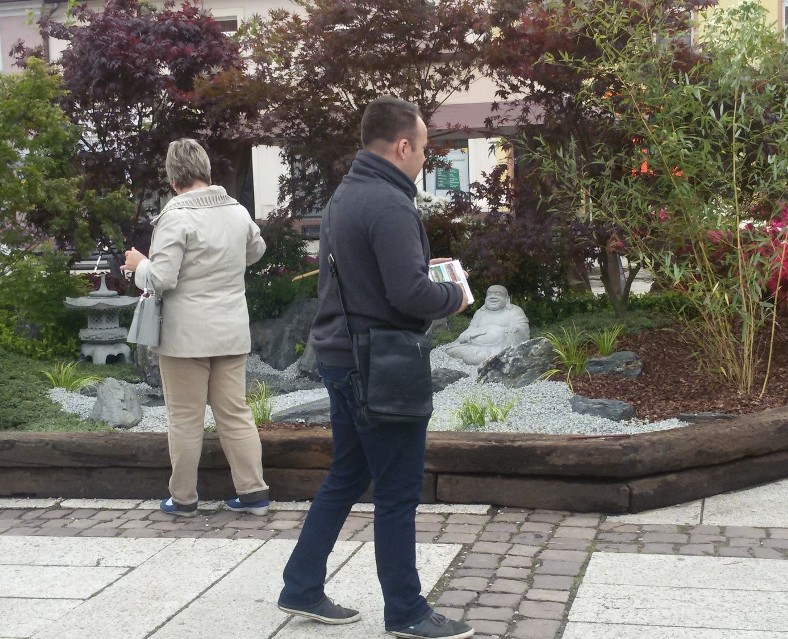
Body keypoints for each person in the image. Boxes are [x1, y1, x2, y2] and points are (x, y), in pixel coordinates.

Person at [276, 96, 474, 639]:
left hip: (345, 356)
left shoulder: (345, 194)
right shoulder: (388, 203)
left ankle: (301, 584)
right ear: (402, 145)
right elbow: (408, 293)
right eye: (425, 150)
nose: (424, 160)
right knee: (397, 490)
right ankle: (407, 612)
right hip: (379, 363)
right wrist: (452, 296)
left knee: (349, 472)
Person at [121, 138, 270, 518]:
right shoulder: (237, 211)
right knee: (235, 413)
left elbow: (162, 278)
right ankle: (253, 493)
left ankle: (183, 498)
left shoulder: (175, 216)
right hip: (232, 330)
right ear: (207, 170)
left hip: (184, 337)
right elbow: (257, 251)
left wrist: (138, 264)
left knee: (185, 418)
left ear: (173, 180)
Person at [445, 285, 530, 365]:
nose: (493, 296)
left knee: (507, 353)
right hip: (475, 345)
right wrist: (465, 334)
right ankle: (485, 357)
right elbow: (472, 327)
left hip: (500, 346)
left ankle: (489, 357)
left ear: (507, 299)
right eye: (489, 294)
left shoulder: (515, 311)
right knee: (451, 349)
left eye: (498, 294)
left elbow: (523, 329)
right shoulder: (480, 312)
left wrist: (515, 330)